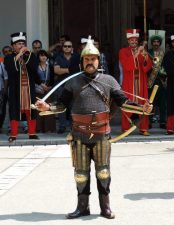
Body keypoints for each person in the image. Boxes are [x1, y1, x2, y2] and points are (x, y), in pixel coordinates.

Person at [34, 38, 153, 219]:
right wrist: (47, 108)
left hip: (101, 134)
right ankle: (82, 207)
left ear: (99, 61)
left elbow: (123, 102)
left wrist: (141, 108)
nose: (90, 62)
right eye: (87, 59)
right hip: (79, 134)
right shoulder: (72, 83)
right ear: (82, 62)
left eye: (93, 59)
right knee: (80, 175)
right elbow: (62, 105)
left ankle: (105, 208)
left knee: (103, 173)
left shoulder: (109, 80)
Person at [4, 32, 44, 142]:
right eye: (18, 44)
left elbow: (34, 69)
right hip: (16, 89)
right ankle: (13, 134)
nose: (21, 45)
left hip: (29, 88)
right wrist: (19, 55)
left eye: (23, 43)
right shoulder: (9, 57)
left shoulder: (30, 55)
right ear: (13, 46)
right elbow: (10, 69)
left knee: (31, 109)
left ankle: (32, 133)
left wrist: (27, 55)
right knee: (14, 109)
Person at [119, 29, 152, 135]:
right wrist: (138, 53)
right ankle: (125, 128)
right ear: (128, 41)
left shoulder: (142, 50)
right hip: (129, 82)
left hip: (141, 82)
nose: (133, 42)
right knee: (127, 105)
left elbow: (147, 67)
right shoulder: (123, 51)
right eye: (131, 40)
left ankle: (144, 128)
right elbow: (127, 66)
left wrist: (146, 56)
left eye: (135, 40)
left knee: (144, 104)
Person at [54, 40, 80, 133]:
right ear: (62, 47)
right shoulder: (58, 57)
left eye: (69, 46)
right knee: (61, 107)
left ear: (72, 47)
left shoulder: (77, 57)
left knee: (74, 107)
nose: (67, 48)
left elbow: (78, 70)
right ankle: (62, 126)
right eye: (65, 46)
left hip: (75, 86)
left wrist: (63, 69)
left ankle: (74, 127)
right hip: (62, 85)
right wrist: (69, 70)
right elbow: (56, 71)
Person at [147, 30, 167, 129]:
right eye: (154, 42)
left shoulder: (164, 53)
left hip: (161, 80)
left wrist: (163, 72)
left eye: (157, 42)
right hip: (151, 80)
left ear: (159, 43)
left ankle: (163, 121)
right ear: (152, 43)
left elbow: (166, 66)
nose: (155, 43)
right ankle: (149, 121)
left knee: (163, 102)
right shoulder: (148, 53)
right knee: (150, 102)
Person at [35, 50, 56, 133]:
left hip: (48, 89)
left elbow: (53, 77)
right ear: (38, 57)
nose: (43, 57)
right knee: (38, 108)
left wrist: (49, 87)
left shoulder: (50, 66)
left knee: (48, 107)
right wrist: (41, 85)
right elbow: (35, 78)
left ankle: (49, 128)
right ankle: (39, 128)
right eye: (41, 55)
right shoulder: (36, 66)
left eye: (45, 55)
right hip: (38, 88)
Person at [0, 46, 11, 133]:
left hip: (2, 90)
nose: (7, 53)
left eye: (8, 51)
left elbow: (6, 78)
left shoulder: (2, 64)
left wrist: (5, 90)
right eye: (5, 52)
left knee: (3, 109)